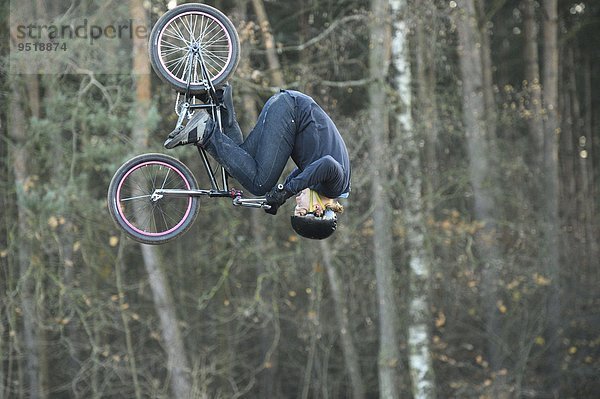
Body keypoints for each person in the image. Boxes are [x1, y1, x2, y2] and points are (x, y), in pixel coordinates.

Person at [164, 85, 350, 239]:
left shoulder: (321, 186)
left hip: (289, 107)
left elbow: (305, 173)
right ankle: (204, 132)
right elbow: (327, 164)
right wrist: (285, 192)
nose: (297, 203)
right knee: (259, 183)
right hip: (292, 111)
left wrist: (278, 197)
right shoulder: (335, 187)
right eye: (300, 210)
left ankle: (218, 102)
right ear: (317, 210)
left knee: (241, 164)